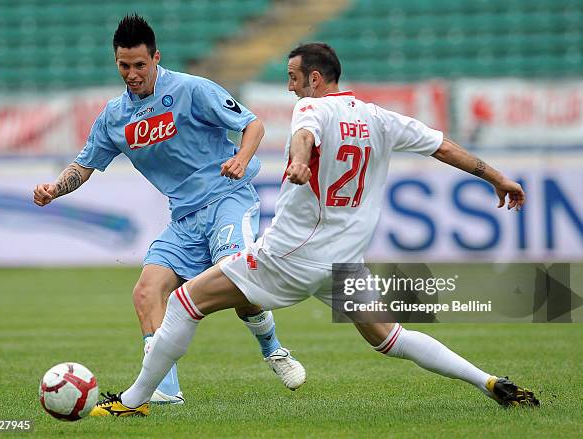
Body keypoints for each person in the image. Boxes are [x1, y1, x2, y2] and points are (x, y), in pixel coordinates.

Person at [89, 42, 539, 417]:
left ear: (316, 79)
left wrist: (301, 161)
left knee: (186, 301)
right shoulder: (380, 118)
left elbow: (304, 134)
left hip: (289, 256)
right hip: (343, 262)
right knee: (390, 336)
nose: (289, 85)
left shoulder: (311, 109)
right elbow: (443, 147)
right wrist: (496, 177)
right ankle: (487, 381)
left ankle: (133, 402)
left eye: (292, 75)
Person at [33, 14, 306, 404]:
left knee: (239, 283)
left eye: (139, 65)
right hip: (184, 218)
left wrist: (242, 159)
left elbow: (253, 125)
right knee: (146, 291)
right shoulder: (115, 117)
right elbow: (85, 165)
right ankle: (165, 388)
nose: (131, 74)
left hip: (228, 197)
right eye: (123, 66)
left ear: (156, 58)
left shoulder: (191, 89)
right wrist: (54, 189)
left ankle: (273, 348)